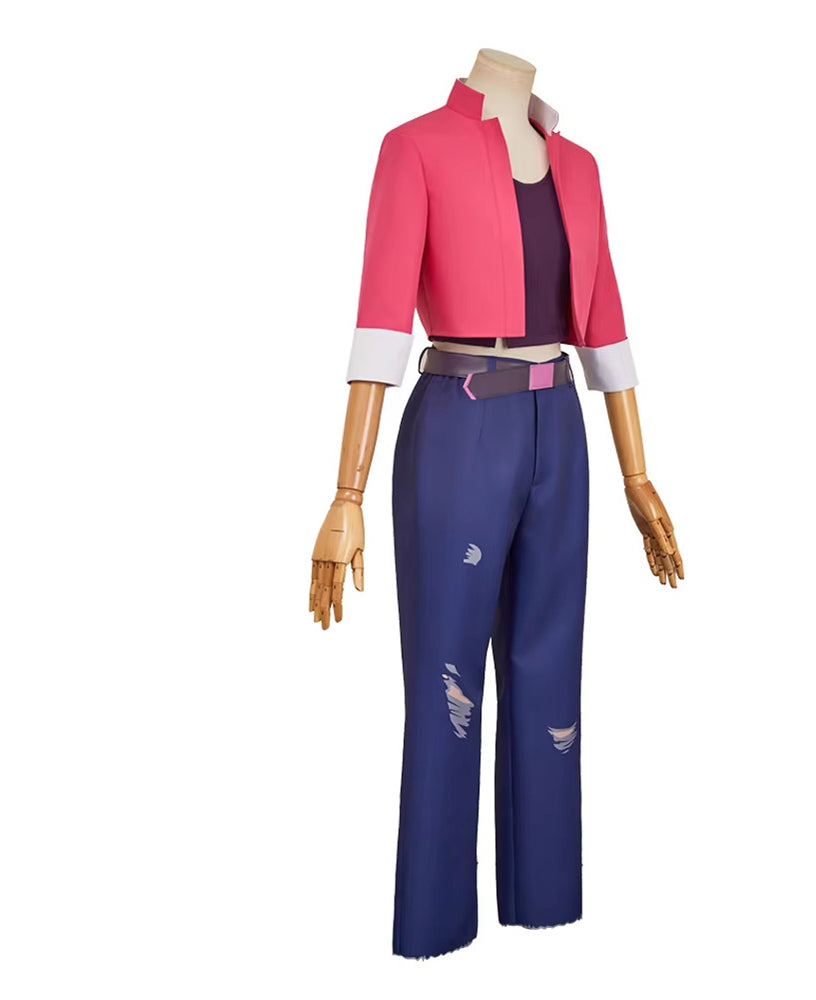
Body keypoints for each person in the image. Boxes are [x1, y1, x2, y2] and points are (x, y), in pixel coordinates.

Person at [309, 50, 683, 959]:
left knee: (551, 675)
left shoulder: (580, 167)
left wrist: (637, 476)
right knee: (449, 684)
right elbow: (380, 318)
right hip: (461, 421)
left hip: (563, 428)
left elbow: (606, 320)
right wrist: (346, 491)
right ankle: (434, 927)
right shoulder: (416, 148)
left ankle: (545, 906)